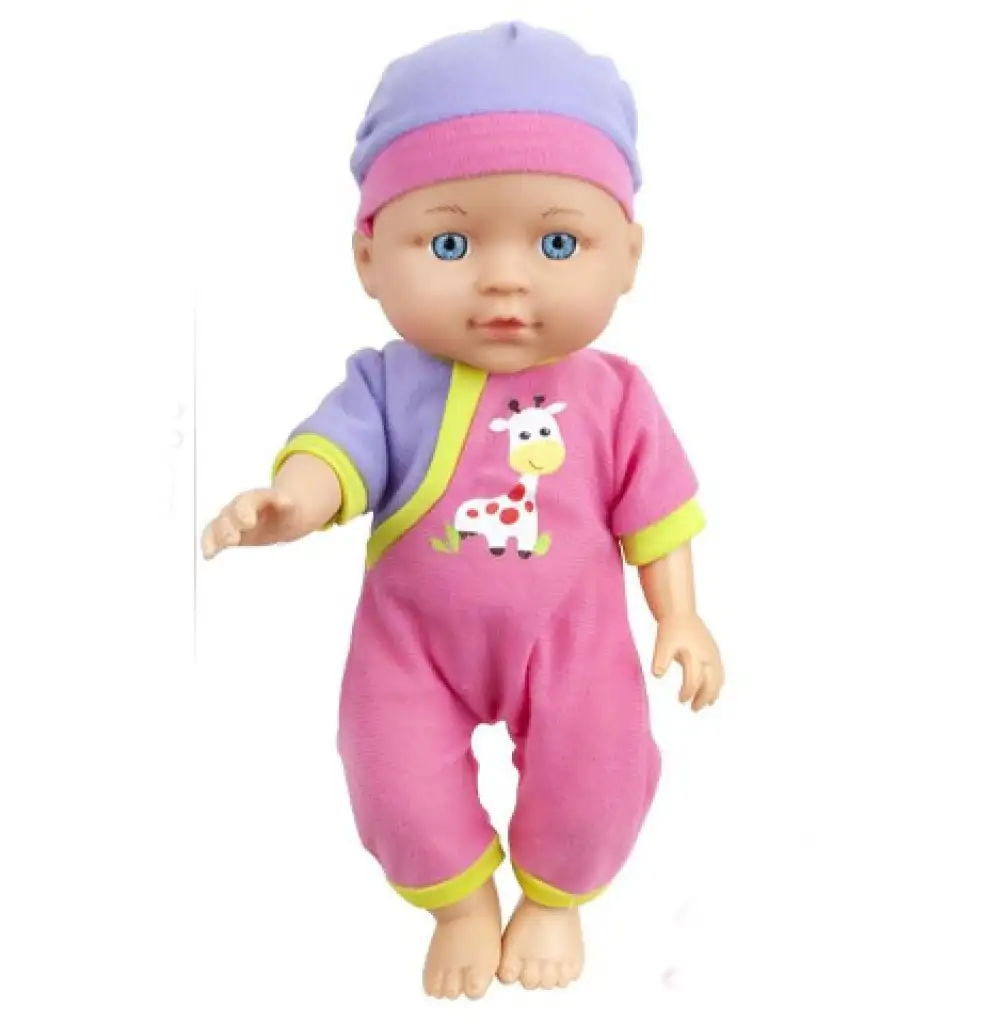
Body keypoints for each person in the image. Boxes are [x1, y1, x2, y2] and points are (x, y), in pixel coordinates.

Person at [201, 20, 725, 1001]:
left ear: (628, 256)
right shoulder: (388, 384)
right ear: (368, 257)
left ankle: (555, 896)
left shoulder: (613, 395)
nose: (504, 278)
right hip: (411, 648)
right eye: (450, 242)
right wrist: (294, 502)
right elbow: (334, 453)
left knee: (599, 763)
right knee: (390, 773)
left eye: (558, 242)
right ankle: (460, 902)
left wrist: (681, 614)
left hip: (574, 642)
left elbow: (657, 513)